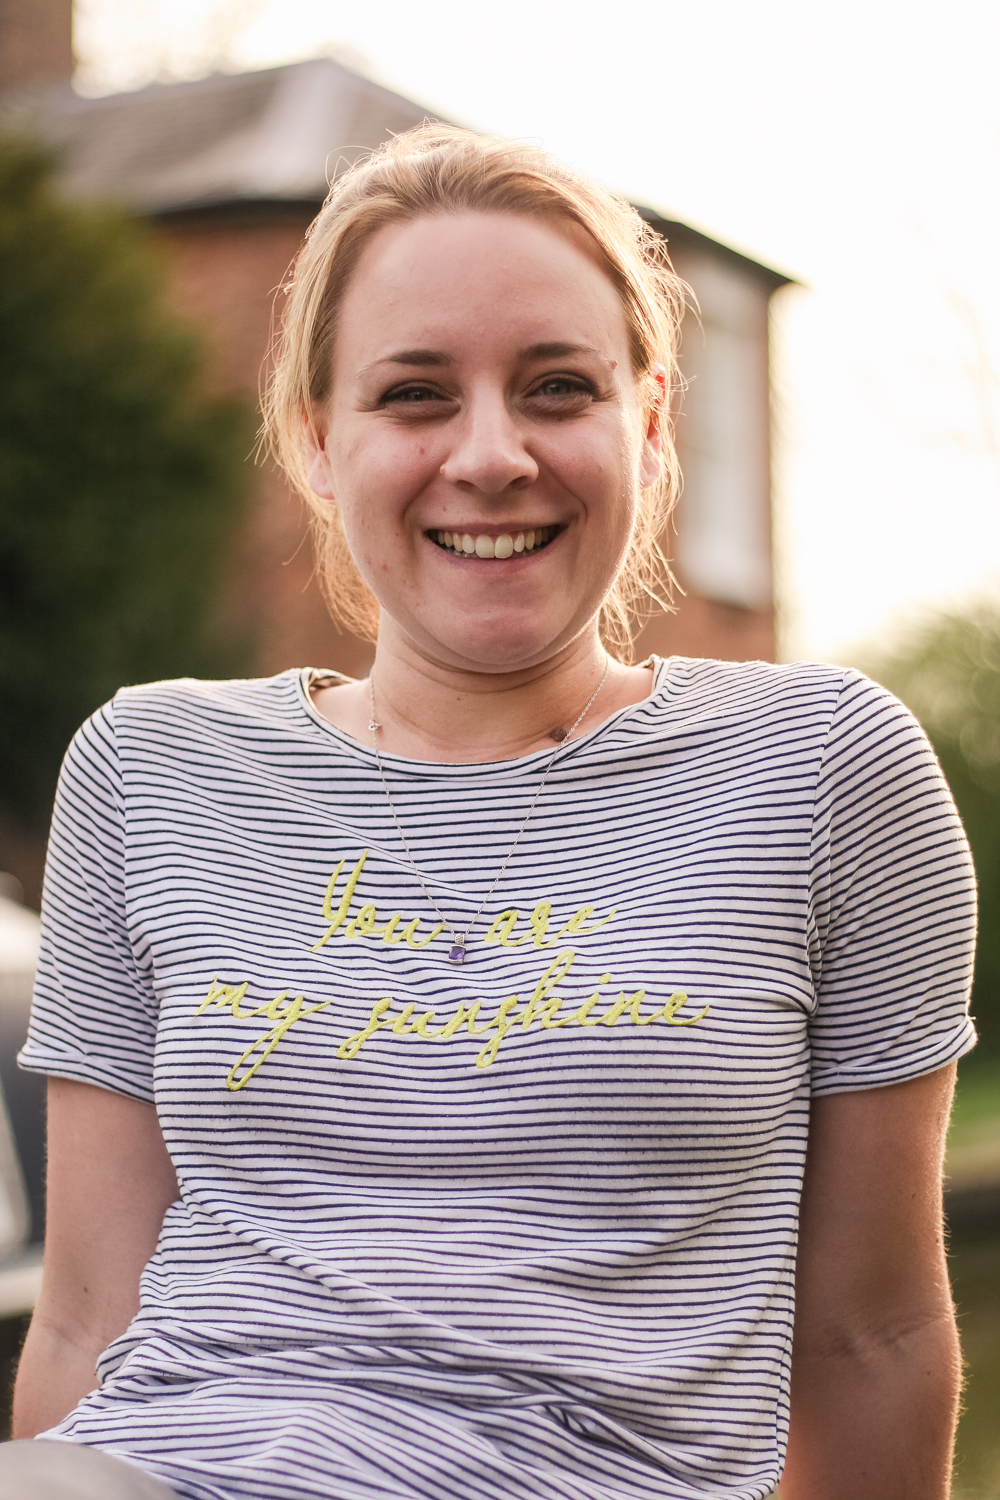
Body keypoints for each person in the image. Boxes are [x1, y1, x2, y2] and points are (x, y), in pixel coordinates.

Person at [2, 125, 975, 1500]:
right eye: (414, 396)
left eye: (557, 387)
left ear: (649, 423)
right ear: (317, 441)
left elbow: (874, 1337)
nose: (491, 454)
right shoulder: (149, 768)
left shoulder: (822, 770)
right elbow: (89, 1314)